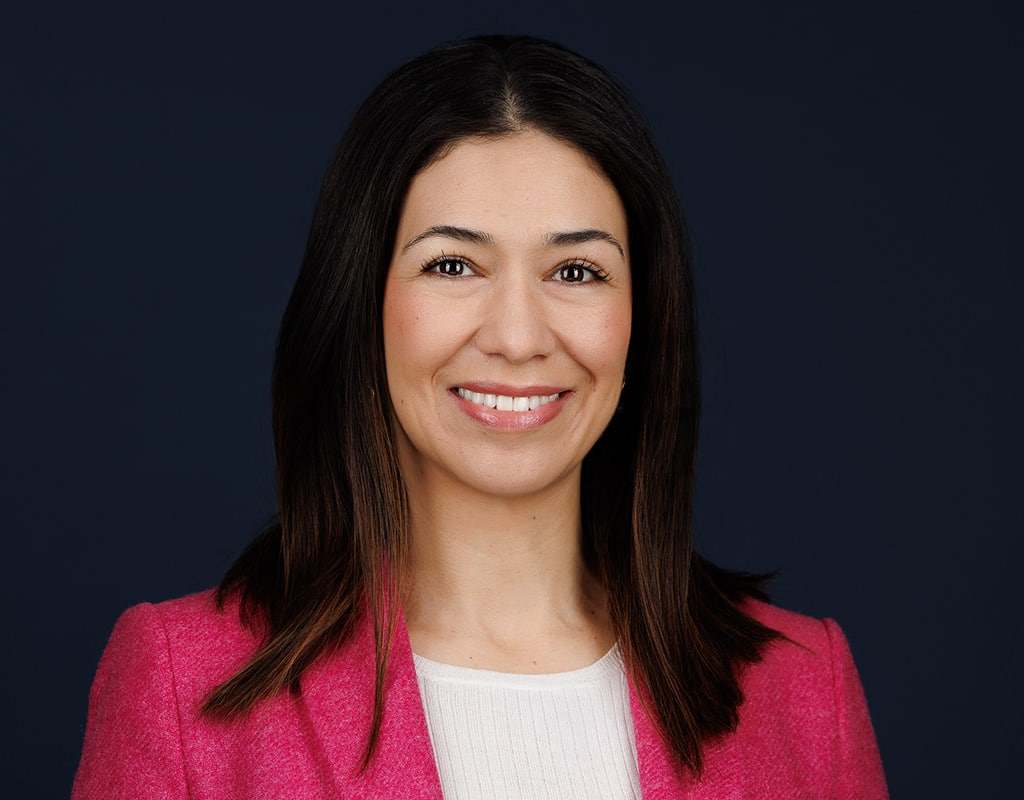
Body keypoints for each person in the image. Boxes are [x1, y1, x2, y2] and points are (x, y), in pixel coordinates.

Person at [73, 35, 888, 799]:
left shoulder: (805, 686)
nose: (518, 336)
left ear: (644, 317)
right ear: (360, 305)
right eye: (453, 264)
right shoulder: (181, 684)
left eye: (576, 269)